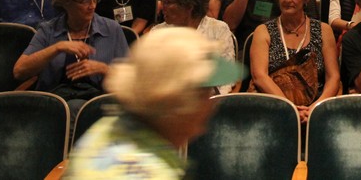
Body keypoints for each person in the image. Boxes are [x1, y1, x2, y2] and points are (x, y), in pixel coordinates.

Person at [64, 27, 243, 179]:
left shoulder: (106, 128)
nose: (211, 103)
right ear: (179, 105)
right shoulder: (155, 173)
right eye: (204, 92)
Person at [13, 0, 129, 110]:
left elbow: (131, 78)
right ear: (66, 2)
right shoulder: (48, 30)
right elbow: (19, 71)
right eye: (85, 0)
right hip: (54, 106)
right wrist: (56, 48)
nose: (92, 6)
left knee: (76, 108)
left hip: (100, 105)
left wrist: (104, 69)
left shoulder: (111, 29)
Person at [250, 0, 340, 122]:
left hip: (316, 109)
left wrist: (315, 109)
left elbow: (333, 77)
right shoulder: (263, 31)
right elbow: (259, 76)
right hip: (274, 108)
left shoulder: (324, 30)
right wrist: (290, 108)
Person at [154, 0, 234, 63]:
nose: (162, 6)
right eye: (162, 1)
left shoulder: (218, 30)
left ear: (189, 6)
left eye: (168, 2)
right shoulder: (158, 33)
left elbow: (227, 70)